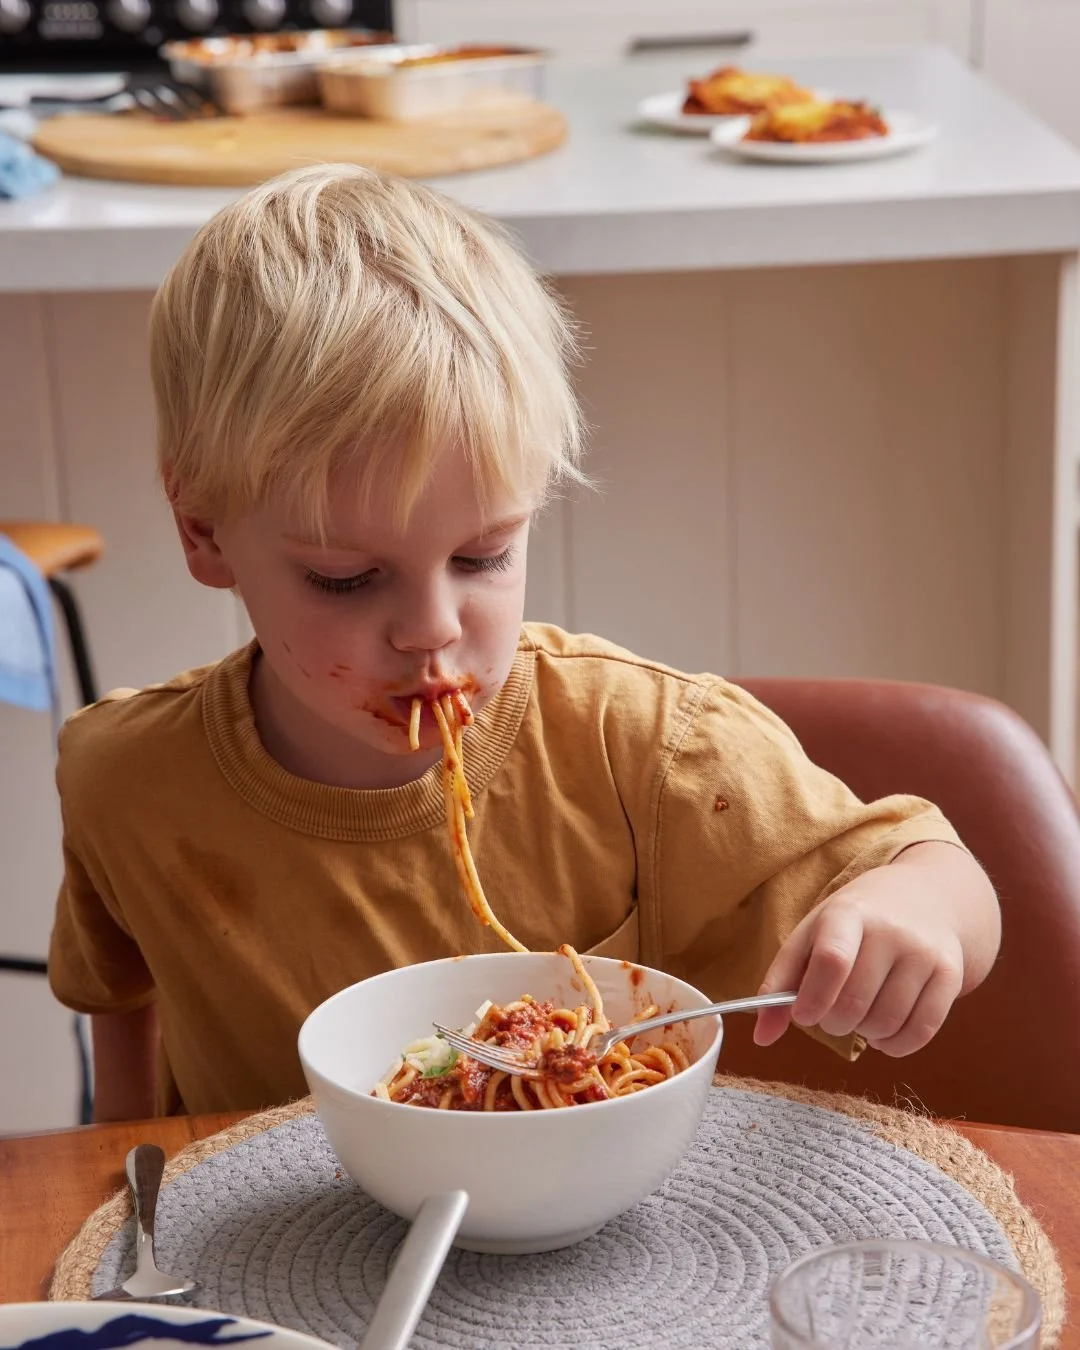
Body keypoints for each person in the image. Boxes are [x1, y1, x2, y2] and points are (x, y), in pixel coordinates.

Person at [48, 165, 1000, 1122]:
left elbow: (938, 870)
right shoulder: (125, 781)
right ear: (203, 532)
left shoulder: (641, 744)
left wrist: (913, 914)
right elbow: (121, 1010)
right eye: (346, 577)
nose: (432, 627)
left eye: (484, 556)